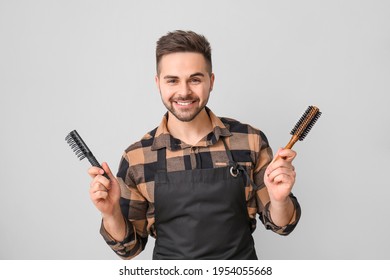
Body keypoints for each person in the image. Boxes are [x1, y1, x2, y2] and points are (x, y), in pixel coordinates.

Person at [88, 30, 301, 260]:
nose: (184, 91)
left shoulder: (249, 141)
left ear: (211, 81)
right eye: (172, 80)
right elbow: (128, 250)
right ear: (158, 83)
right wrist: (110, 213)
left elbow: (282, 226)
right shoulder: (138, 157)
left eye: (195, 79)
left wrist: (280, 200)